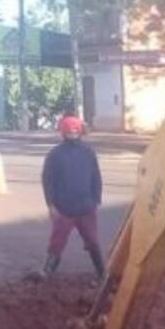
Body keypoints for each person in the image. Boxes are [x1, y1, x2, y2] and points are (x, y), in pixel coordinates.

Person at [40, 115, 105, 278]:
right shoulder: (55, 154)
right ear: (63, 132)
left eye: (75, 130)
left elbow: (96, 176)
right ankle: (47, 272)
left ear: (81, 131)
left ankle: (102, 272)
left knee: (92, 241)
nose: (72, 133)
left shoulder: (88, 152)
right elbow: (47, 181)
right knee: (57, 242)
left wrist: (96, 198)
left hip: (86, 206)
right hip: (63, 208)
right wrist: (51, 205)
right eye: (69, 131)